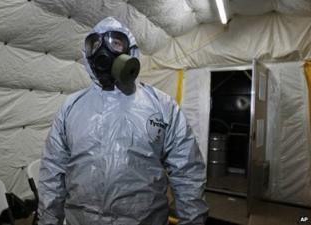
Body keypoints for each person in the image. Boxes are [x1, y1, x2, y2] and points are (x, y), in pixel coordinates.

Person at [38, 16, 208, 225]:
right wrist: (48, 220)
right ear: (87, 55)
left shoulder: (162, 106)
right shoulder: (71, 107)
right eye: (95, 44)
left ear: (130, 50)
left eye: (115, 43)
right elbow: (53, 171)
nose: (103, 51)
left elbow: (187, 172)